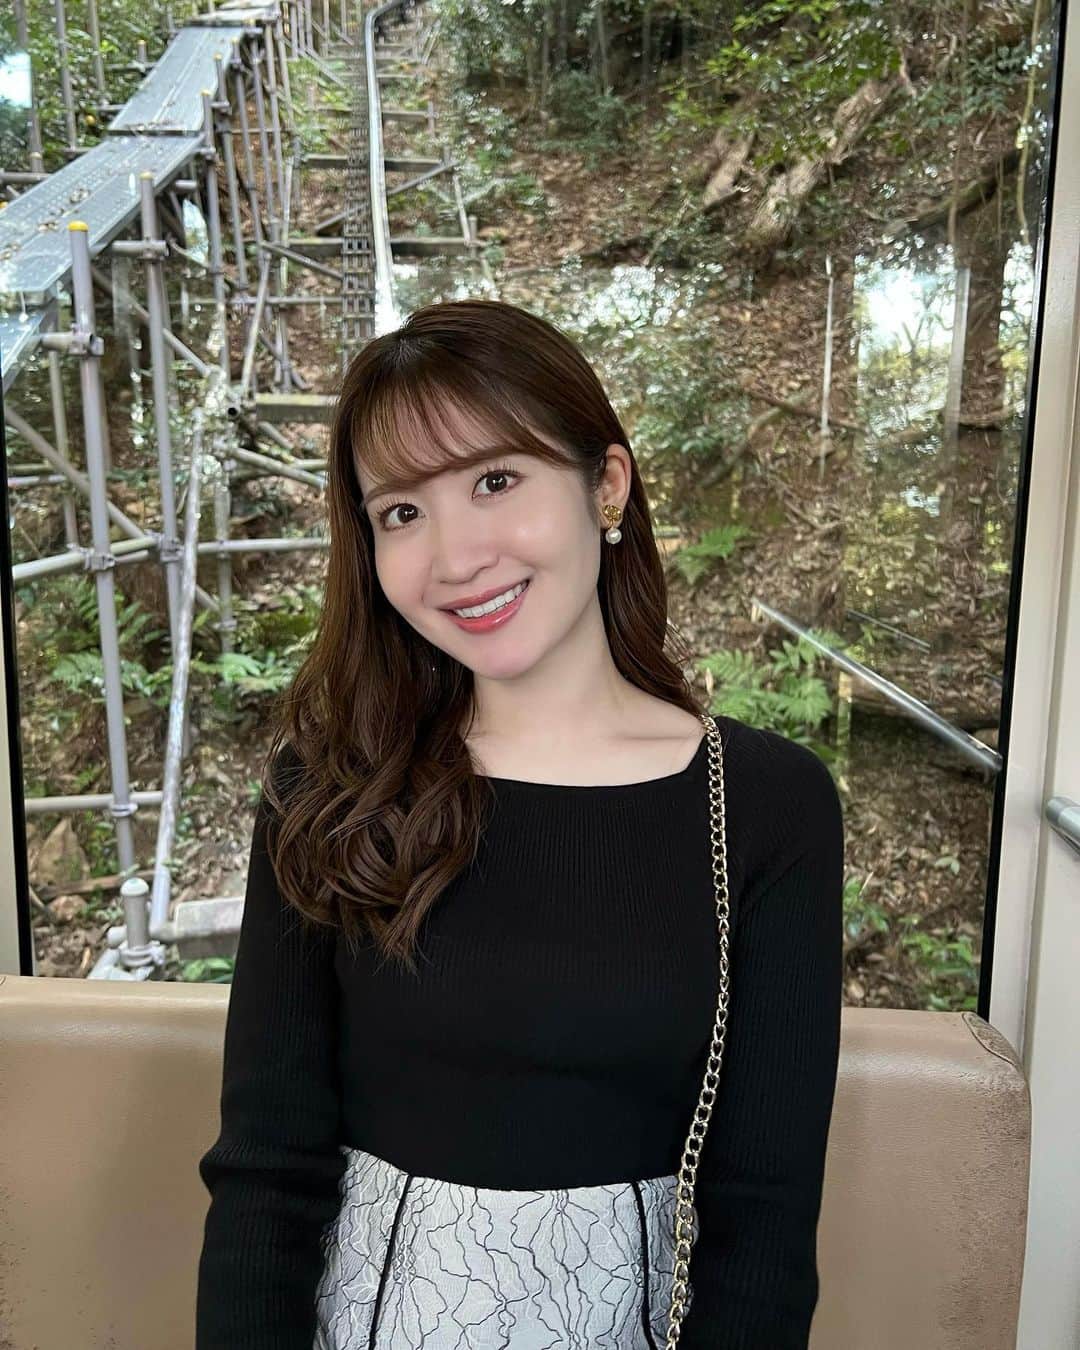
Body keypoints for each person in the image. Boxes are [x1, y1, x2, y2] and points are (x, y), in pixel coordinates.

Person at [194, 297, 845, 1349]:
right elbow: (267, 1170)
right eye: (401, 512)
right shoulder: (330, 787)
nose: (454, 557)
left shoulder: (768, 805)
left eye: (495, 481)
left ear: (607, 485)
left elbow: (763, 1221)